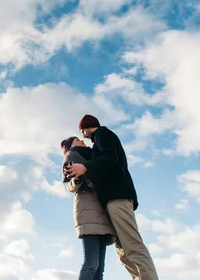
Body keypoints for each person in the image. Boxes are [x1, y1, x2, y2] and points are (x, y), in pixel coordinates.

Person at [64, 114, 159, 280]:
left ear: (85, 128)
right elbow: (70, 182)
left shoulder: (102, 133)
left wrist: (85, 167)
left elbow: (110, 157)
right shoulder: (82, 152)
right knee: (123, 251)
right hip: (111, 201)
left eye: (82, 133)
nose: (84, 138)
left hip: (118, 197)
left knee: (132, 245)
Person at [61, 136, 117, 280]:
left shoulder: (92, 158)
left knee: (99, 269)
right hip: (88, 213)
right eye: (78, 140)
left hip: (102, 213)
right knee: (91, 264)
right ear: (72, 145)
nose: (83, 141)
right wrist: (77, 179)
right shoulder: (72, 156)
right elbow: (69, 185)